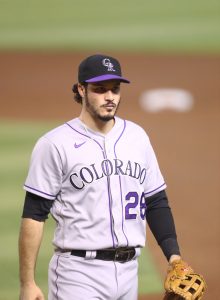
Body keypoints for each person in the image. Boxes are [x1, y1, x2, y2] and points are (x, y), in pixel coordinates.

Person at [19, 54, 182, 300]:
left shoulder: (137, 137)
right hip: (78, 274)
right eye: (100, 89)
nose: (109, 97)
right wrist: (27, 283)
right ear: (81, 90)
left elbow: (156, 200)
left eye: (115, 90)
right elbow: (34, 214)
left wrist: (174, 256)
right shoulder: (54, 144)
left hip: (129, 273)